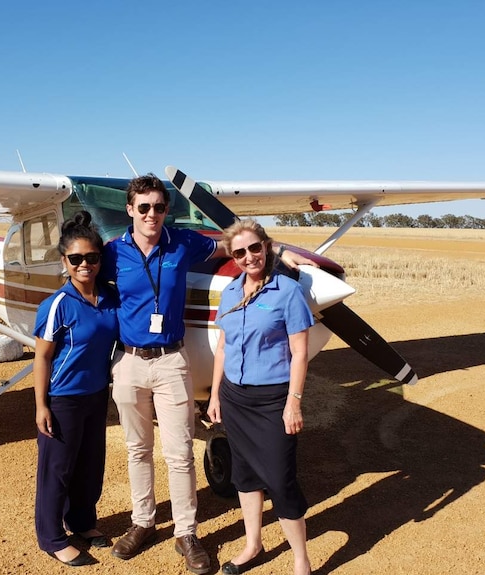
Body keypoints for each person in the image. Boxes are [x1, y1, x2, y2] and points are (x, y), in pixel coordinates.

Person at [102, 174, 312, 574]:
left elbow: (233, 247)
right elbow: (83, 278)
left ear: (167, 211)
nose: (151, 214)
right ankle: (143, 521)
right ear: (130, 210)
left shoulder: (182, 241)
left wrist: (282, 253)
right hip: (128, 361)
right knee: (137, 449)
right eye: (143, 207)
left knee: (179, 453)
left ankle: (186, 533)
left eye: (159, 207)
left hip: (172, 359)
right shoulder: (111, 253)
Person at [207, 219, 314, 575]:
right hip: (234, 398)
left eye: (255, 248)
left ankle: (301, 559)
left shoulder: (287, 292)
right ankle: (253, 544)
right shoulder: (230, 292)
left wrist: (293, 402)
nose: (249, 256)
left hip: (272, 400)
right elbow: (223, 347)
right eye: (240, 252)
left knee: (281, 479)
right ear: (233, 257)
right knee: (245, 474)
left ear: (266, 247)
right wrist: (215, 395)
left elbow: (300, 353)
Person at [32, 210, 120, 567]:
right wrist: (41, 405)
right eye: (76, 259)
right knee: (58, 469)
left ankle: (82, 522)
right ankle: (51, 536)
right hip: (63, 398)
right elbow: (42, 359)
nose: (85, 264)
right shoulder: (57, 305)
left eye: (93, 257)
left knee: (90, 465)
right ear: (65, 261)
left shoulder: (110, 299)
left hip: (97, 395)